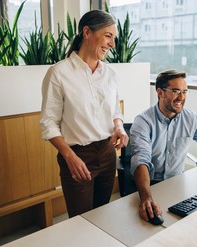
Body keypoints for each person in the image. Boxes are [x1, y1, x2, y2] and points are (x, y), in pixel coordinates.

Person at [40, 10, 128, 218]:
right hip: (78, 156)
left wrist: (119, 127)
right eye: (108, 36)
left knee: (101, 215)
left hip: (107, 153)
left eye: (114, 38)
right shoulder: (59, 73)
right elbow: (48, 123)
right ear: (87, 32)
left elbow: (115, 110)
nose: (112, 45)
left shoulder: (111, 74)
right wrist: (69, 156)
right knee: (80, 222)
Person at [130, 69, 197, 222]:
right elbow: (141, 159)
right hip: (151, 186)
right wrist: (146, 197)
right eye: (176, 91)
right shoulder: (143, 122)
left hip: (178, 184)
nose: (181, 97)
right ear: (160, 93)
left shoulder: (192, 119)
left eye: (185, 92)